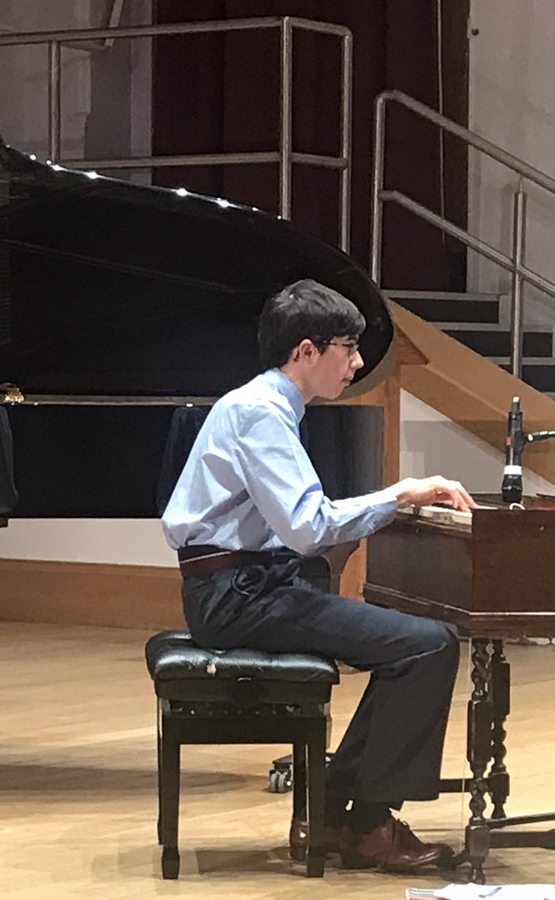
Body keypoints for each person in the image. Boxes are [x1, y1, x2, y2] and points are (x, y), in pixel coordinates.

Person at [161, 279, 475, 873]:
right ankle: (365, 825)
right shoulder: (260, 413)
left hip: (243, 587)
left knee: (417, 645)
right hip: (239, 597)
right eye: (348, 348)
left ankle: (333, 811)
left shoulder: (266, 406)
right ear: (306, 351)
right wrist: (401, 494)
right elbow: (307, 526)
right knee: (429, 646)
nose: (357, 363)